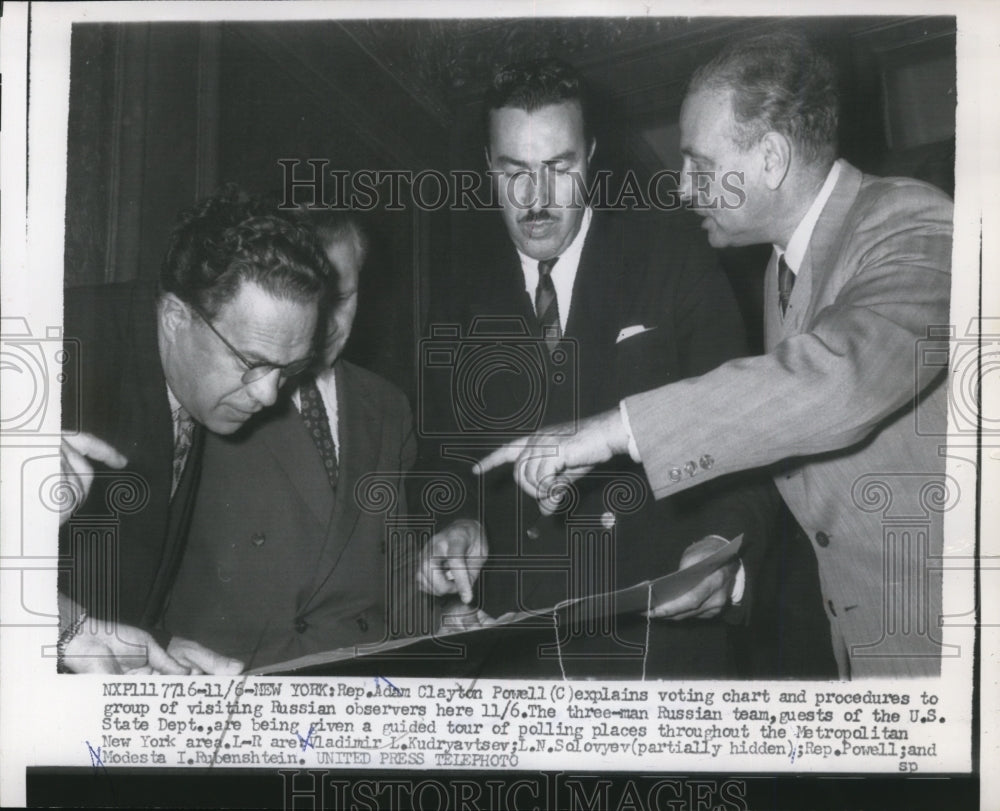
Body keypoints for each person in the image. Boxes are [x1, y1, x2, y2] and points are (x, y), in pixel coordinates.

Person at [478, 33, 953, 679]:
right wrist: (719, 562)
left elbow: (840, 380)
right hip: (875, 649)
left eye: (700, 164)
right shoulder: (778, 274)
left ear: (772, 158)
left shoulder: (917, 224)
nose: (680, 187)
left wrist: (613, 430)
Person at [416, 58, 775, 677]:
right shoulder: (458, 300)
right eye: (514, 172)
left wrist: (720, 548)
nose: (536, 199)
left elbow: (746, 428)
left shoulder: (675, 258)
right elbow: (442, 460)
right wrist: (456, 524)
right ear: (487, 169)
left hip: (661, 653)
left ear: (592, 159)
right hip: (518, 661)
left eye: (559, 169)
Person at [57, 186, 332, 674]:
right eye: (252, 363)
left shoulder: (197, 376)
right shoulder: (60, 345)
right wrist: (67, 630)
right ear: (174, 317)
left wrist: (157, 646)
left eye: (289, 370)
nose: (269, 396)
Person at [163, 212, 422, 670]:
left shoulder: (387, 406)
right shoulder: (208, 393)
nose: (317, 327)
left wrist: (446, 619)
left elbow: (396, 570)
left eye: (339, 299)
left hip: (361, 680)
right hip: (230, 685)